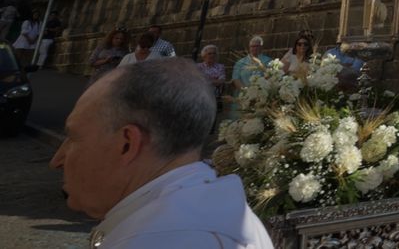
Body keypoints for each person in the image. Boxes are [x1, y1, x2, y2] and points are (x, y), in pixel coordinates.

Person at [50, 58, 273, 248]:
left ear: (127, 144)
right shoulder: (214, 210)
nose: (57, 160)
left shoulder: (164, 240)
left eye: (74, 138)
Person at [228, 37, 270, 122]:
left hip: (260, 97)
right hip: (242, 96)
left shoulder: (268, 61)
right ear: (249, 47)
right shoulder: (240, 62)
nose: (254, 48)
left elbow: (269, 76)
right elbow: (236, 78)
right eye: (252, 46)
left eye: (257, 46)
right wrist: (246, 92)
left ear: (261, 47)